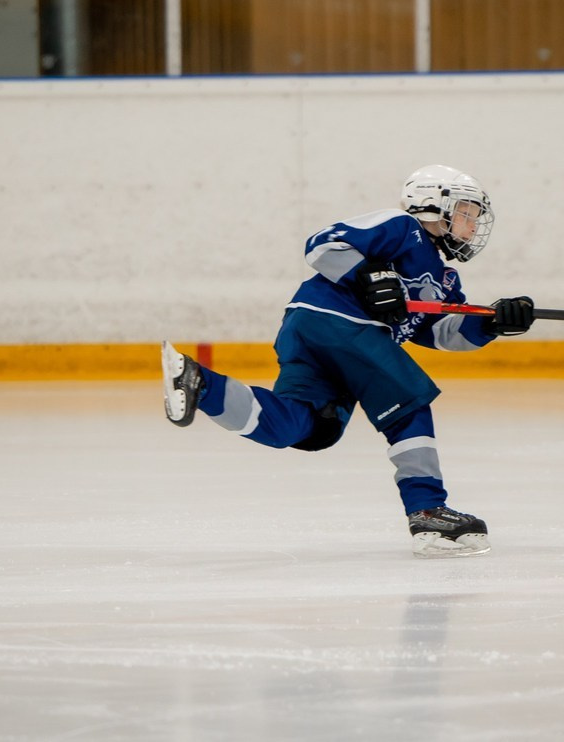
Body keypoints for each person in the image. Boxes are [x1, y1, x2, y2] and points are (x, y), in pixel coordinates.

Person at [160, 164, 535, 558]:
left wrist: (494, 323)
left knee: (306, 427)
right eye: (465, 212)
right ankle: (427, 510)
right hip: (338, 321)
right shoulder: (400, 228)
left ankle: (199, 383)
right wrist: (368, 274)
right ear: (432, 203)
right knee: (408, 404)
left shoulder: (444, 279)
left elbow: (443, 333)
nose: (472, 225)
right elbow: (321, 244)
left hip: (314, 333)